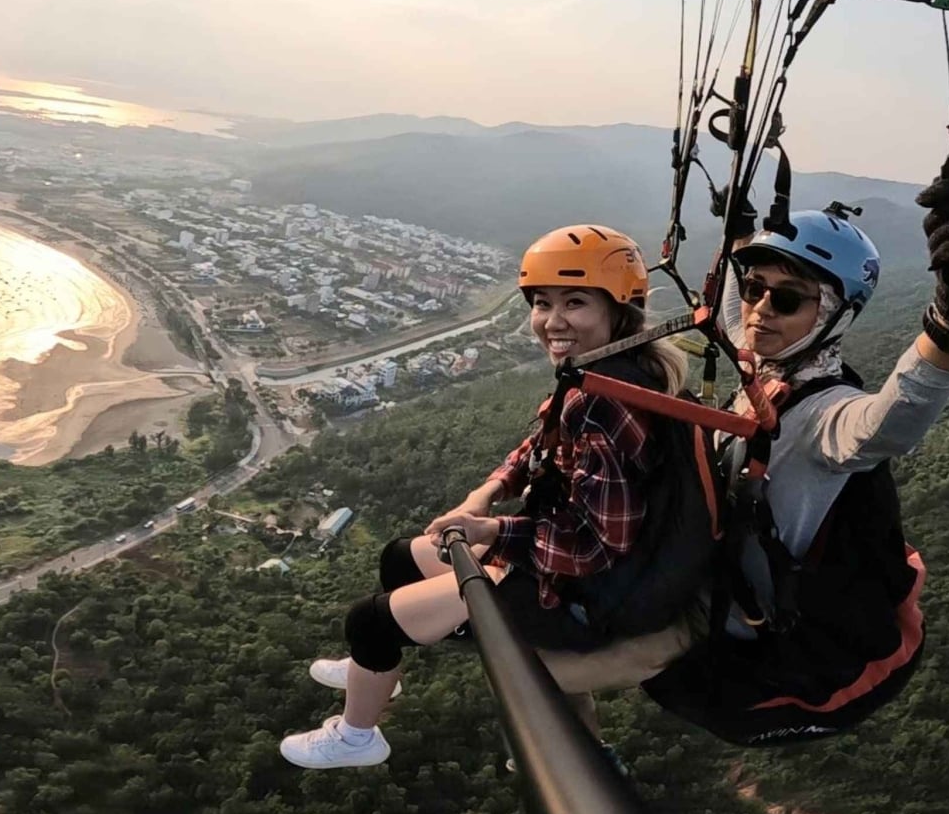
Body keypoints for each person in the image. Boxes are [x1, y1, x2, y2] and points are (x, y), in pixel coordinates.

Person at [543, 175, 949, 745]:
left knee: (535, 671)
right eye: (755, 288)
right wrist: (742, 232)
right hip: (683, 571)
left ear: (834, 314)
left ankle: (581, 772)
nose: (761, 309)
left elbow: (894, 420)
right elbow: (744, 314)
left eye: (787, 298)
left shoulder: (827, 420)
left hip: (718, 620)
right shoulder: (768, 360)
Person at [280, 224, 689, 769]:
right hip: (575, 574)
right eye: (542, 303)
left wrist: (495, 532)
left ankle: (358, 736)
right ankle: (374, 673)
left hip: (582, 598)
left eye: (575, 303)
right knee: (400, 557)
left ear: (619, 313)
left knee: (369, 622)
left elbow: (596, 545)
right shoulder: (602, 376)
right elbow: (536, 448)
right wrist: (488, 492)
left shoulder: (606, 404)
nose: (553, 320)